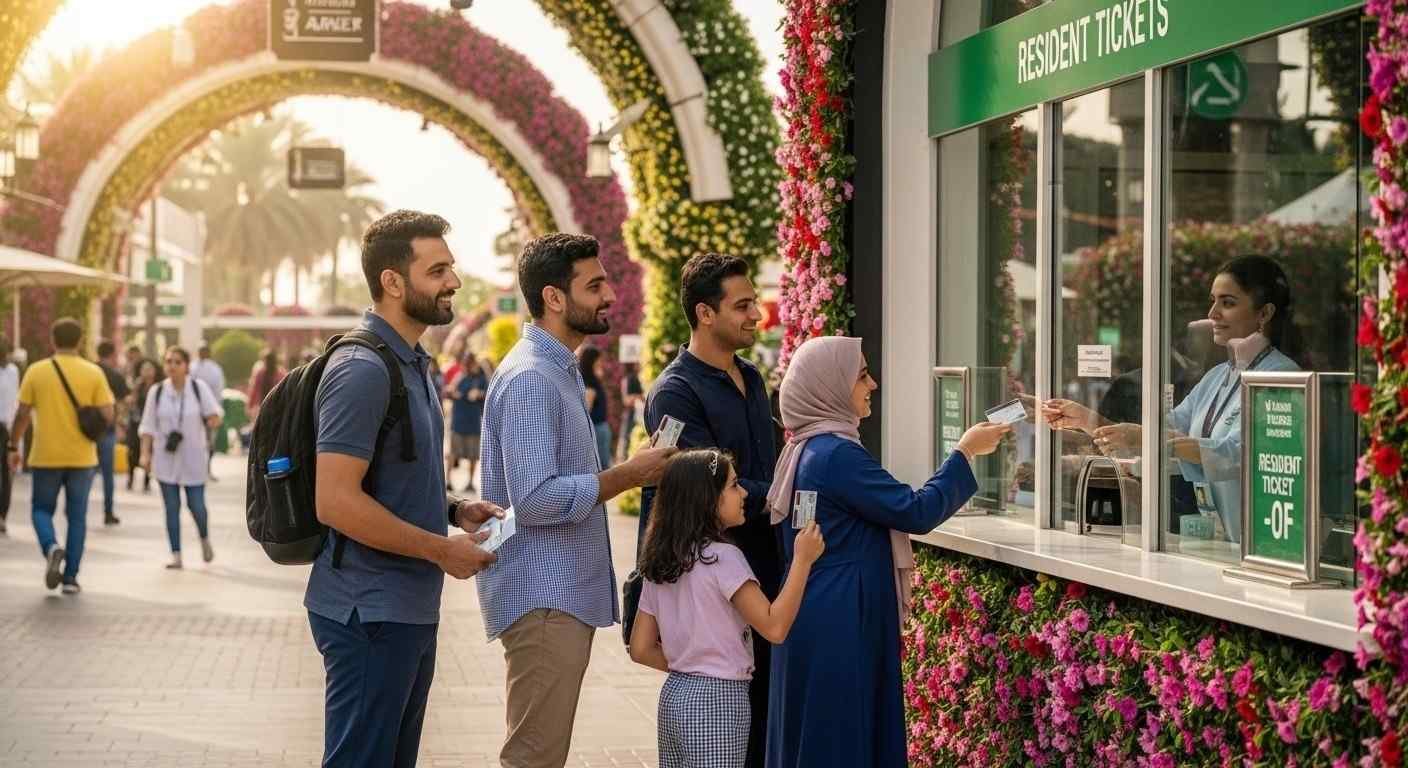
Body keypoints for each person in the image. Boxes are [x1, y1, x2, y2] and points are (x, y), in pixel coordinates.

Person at [306, 210, 502, 767]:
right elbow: (335, 500)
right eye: (437, 271)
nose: (453, 282)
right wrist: (441, 550)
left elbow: (389, 477)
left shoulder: (412, 363)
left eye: (451, 268)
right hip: (368, 612)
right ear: (392, 281)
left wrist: (455, 509)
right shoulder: (362, 369)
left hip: (405, 609)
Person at [765, 336, 1009, 768]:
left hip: (818, 611)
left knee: (822, 733)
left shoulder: (806, 450)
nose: (873, 384)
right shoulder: (836, 455)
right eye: (861, 375)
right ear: (829, 387)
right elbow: (915, 511)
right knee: (843, 736)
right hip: (842, 619)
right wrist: (964, 452)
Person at [478, 232, 675, 768]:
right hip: (545, 598)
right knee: (534, 758)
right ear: (554, 298)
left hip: (554, 596)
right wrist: (628, 475)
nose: (609, 295)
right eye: (594, 285)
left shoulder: (553, 369)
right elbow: (535, 499)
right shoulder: (532, 378)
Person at [1042, 255, 1300, 544]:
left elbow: (1240, 456)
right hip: (1224, 542)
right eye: (1213, 301)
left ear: (1264, 313)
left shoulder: (1281, 376)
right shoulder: (1218, 376)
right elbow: (1166, 432)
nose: (1212, 313)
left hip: (1267, 544)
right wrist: (1087, 420)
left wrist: (1145, 438)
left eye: (1227, 303)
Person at [641, 252, 778, 766]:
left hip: (767, 567)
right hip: (716, 584)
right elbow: (705, 492)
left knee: (764, 727)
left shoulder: (752, 377)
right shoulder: (674, 393)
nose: (755, 314)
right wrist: (786, 494)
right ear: (704, 313)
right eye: (742, 305)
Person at [628, 450, 825, 768]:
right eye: (734, 485)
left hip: (674, 695)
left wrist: (691, 663)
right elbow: (774, 627)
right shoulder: (723, 558)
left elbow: (640, 648)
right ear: (707, 499)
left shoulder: (661, 562)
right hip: (718, 699)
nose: (744, 493)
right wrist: (803, 560)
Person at [7, 318, 116, 594]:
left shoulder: (36, 371)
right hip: (82, 457)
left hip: (45, 455)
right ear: (80, 340)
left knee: (41, 510)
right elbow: (108, 414)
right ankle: (70, 578)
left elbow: (22, 414)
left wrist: (13, 447)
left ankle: (51, 547)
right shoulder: (93, 373)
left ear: (53, 340)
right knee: (77, 517)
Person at [138, 346, 222, 568]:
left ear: (186, 365)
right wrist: (145, 454)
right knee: (171, 508)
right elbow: (147, 426)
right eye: (168, 361)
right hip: (165, 459)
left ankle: (204, 537)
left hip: (193, 458)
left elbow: (215, 415)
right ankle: (176, 555)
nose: (172, 366)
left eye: (177, 362)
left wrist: (213, 420)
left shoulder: (198, 388)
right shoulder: (156, 392)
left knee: (197, 506)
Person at [95, 341, 131, 525]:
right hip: (107, 429)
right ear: (112, 354)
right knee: (107, 474)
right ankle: (108, 512)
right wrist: (120, 424)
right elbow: (125, 401)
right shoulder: (115, 375)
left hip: (86, 430)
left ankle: (75, 509)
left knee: (84, 472)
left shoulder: (89, 370)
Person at [445, 350, 488, 492]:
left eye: (470, 362)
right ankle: (448, 481)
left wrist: (479, 394)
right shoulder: (460, 377)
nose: (467, 365)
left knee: (473, 455)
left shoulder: (481, 379)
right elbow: (448, 391)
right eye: (466, 362)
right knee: (453, 452)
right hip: (458, 421)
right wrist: (453, 393)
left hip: (473, 421)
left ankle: (470, 482)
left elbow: (488, 394)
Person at [190, 344, 226, 480]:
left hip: (209, 410)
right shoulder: (192, 367)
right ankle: (198, 469)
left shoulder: (215, 369)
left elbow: (219, 390)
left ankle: (207, 469)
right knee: (196, 441)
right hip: (194, 411)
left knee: (209, 441)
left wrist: (215, 411)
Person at [127, 358, 160, 493]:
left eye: (149, 369)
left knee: (149, 451)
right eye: (144, 369)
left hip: (152, 424)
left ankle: (146, 480)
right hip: (136, 423)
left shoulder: (158, 388)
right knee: (132, 451)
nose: (147, 372)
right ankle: (131, 478)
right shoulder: (138, 386)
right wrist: (135, 388)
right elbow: (131, 402)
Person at [578, 345, 613, 469]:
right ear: (591, 361)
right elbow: (586, 410)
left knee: (604, 464)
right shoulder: (589, 384)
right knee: (602, 466)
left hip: (600, 427)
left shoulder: (592, 380)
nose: (601, 363)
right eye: (598, 360)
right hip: (597, 428)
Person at [0, 334, 17, 535]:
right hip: (6, 427)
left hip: (5, 427)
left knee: (5, 473)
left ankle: (2, 516)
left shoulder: (12, 371)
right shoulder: (12, 371)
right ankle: (2, 516)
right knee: (5, 474)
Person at [616, 361, 643, 462]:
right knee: (626, 438)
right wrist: (640, 397)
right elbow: (626, 400)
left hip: (635, 414)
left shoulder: (634, 378)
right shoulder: (629, 379)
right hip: (630, 414)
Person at [246, 350, 284, 421]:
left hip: (269, 406)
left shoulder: (279, 373)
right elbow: (254, 389)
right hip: (271, 406)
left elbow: (254, 389)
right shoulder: (280, 373)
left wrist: (250, 405)